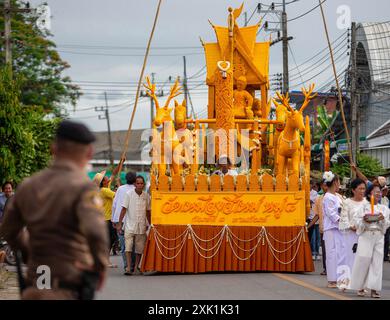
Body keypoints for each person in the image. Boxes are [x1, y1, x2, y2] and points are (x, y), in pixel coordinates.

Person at [0, 120, 109, 299]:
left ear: (53, 149)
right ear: (89, 153)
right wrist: (100, 267)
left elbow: (8, 228)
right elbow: (96, 233)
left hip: (34, 286)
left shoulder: (29, 186)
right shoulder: (83, 188)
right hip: (67, 287)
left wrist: (28, 250)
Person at [350, 182, 390, 298]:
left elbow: (386, 224)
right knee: (363, 261)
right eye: (376, 191)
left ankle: (374, 288)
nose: (378, 193)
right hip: (366, 235)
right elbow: (357, 222)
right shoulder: (363, 207)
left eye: (380, 191)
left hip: (378, 236)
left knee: (377, 263)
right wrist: (364, 221)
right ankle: (360, 286)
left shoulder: (384, 209)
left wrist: (382, 219)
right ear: (369, 194)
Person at [338, 178, 367, 290]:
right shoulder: (347, 202)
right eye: (360, 188)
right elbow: (343, 217)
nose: (362, 191)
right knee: (349, 258)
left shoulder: (367, 203)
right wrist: (351, 226)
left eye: (364, 188)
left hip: (363, 234)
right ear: (354, 190)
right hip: (350, 235)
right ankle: (345, 281)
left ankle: (362, 286)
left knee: (363, 259)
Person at [118, 176, 151, 276]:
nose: (140, 185)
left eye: (141, 183)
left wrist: (150, 224)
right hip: (129, 225)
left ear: (144, 185)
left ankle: (137, 266)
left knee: (139, 248)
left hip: (141, 225)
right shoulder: (129, 194)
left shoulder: (146, 196)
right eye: (138, 183)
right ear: (134, 184)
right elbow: (123, 209)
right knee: (128, 247)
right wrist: (119, 223)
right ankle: (128, 267)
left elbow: (148, 211)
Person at [93, 164, 122, 268]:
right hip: (107, 218)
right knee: (110, 239)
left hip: (107, 218)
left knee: (111, 239)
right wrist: (119, 185)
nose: (108, 179)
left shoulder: (105, 188)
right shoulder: (104, 190)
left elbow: (114, 174)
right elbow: (117, 195)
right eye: (106, 178)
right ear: (103, 182)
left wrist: (120, 162)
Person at [322, 171, 345, 288]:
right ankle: (332, 280)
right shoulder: (327, 197)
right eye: (339, 181)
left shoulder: (338, 196)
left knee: (340, 253)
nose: (339, 184)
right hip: (331, 228)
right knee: (331, 253)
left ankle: (339, 278)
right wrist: (343, 221)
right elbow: (331, 214)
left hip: (339, 228)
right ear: (335, 182)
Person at [111, 171, 136, 271]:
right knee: (132, 245)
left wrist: (113, 219)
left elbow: (114, 204)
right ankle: (132, 265)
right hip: (131, 221)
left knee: (123, 245)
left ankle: (127, 265)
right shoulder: (136, 190)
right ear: (135, 180)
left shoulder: (120, 189)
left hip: (119, 220)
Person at [308, 180, 328, 275]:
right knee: (325, 250)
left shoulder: (338, 197)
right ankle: (326, 268)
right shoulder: (319, 199)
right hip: (323, 228)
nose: (325, 187)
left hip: (335, 229)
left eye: (326, 185)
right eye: (323, 185)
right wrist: (308, 226)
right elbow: (316, 215)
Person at [308, 181, 320, 261]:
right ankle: (311, 252)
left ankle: (315, 252)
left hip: (314, 217)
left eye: (310, 184)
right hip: (307, 217)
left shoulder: (315, 193)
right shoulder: (303, 191)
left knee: (315, 237)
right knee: (310, 237)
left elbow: (312, 201)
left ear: (312, 185)